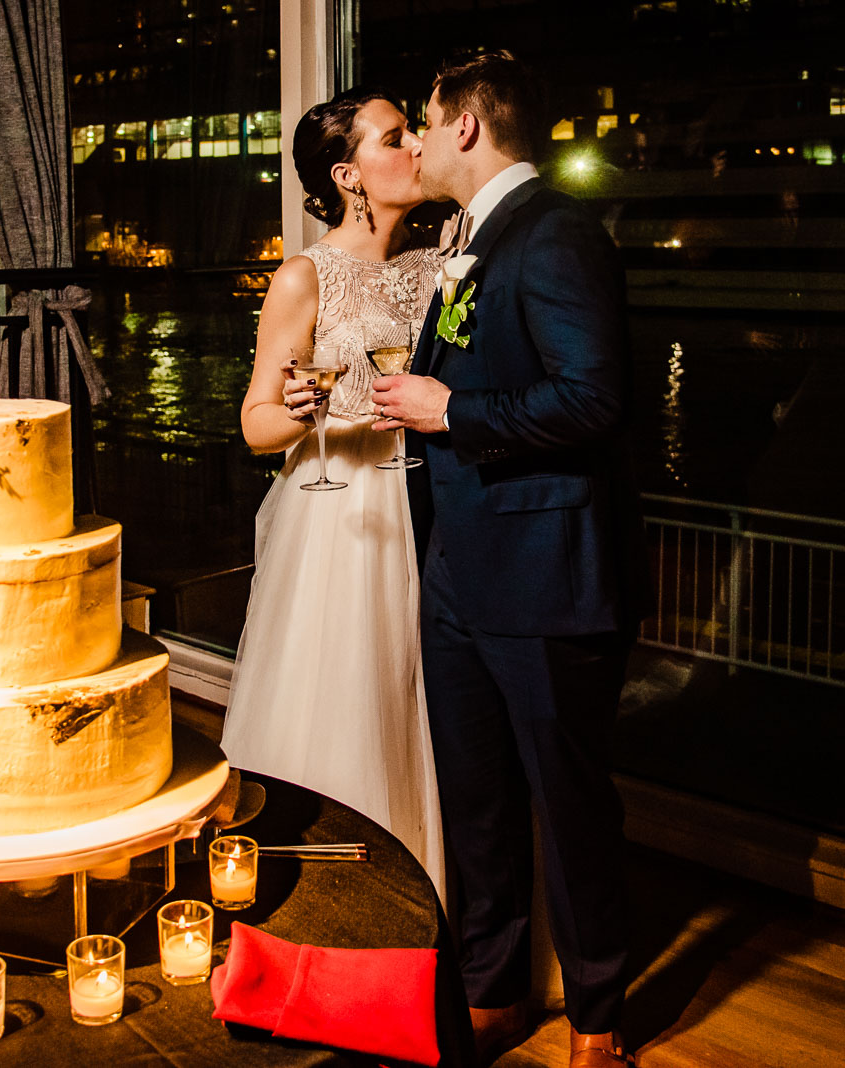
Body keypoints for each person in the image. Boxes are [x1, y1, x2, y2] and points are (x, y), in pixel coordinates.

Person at [371, 51, 642, 1068]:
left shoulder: (557, 233)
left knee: (569, 808)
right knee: (476, 797)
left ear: (469, 128)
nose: (422, 145)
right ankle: (492, 990)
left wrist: (453, 410)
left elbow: (594, 398)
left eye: (429, 128)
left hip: (545, 576)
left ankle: (599, 1015)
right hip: (460, 571)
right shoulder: (472, 240)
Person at [220, 87, 447, 904]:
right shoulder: (303, 276)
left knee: (419, 696)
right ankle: (339, 904)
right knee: (347, 690)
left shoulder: (441, 265)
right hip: (339, 512)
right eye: (395, 138)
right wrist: (298, 413)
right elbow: (254, 422)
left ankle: (429, 896)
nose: (416, 146)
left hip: (430, 500)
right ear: (349, 174)